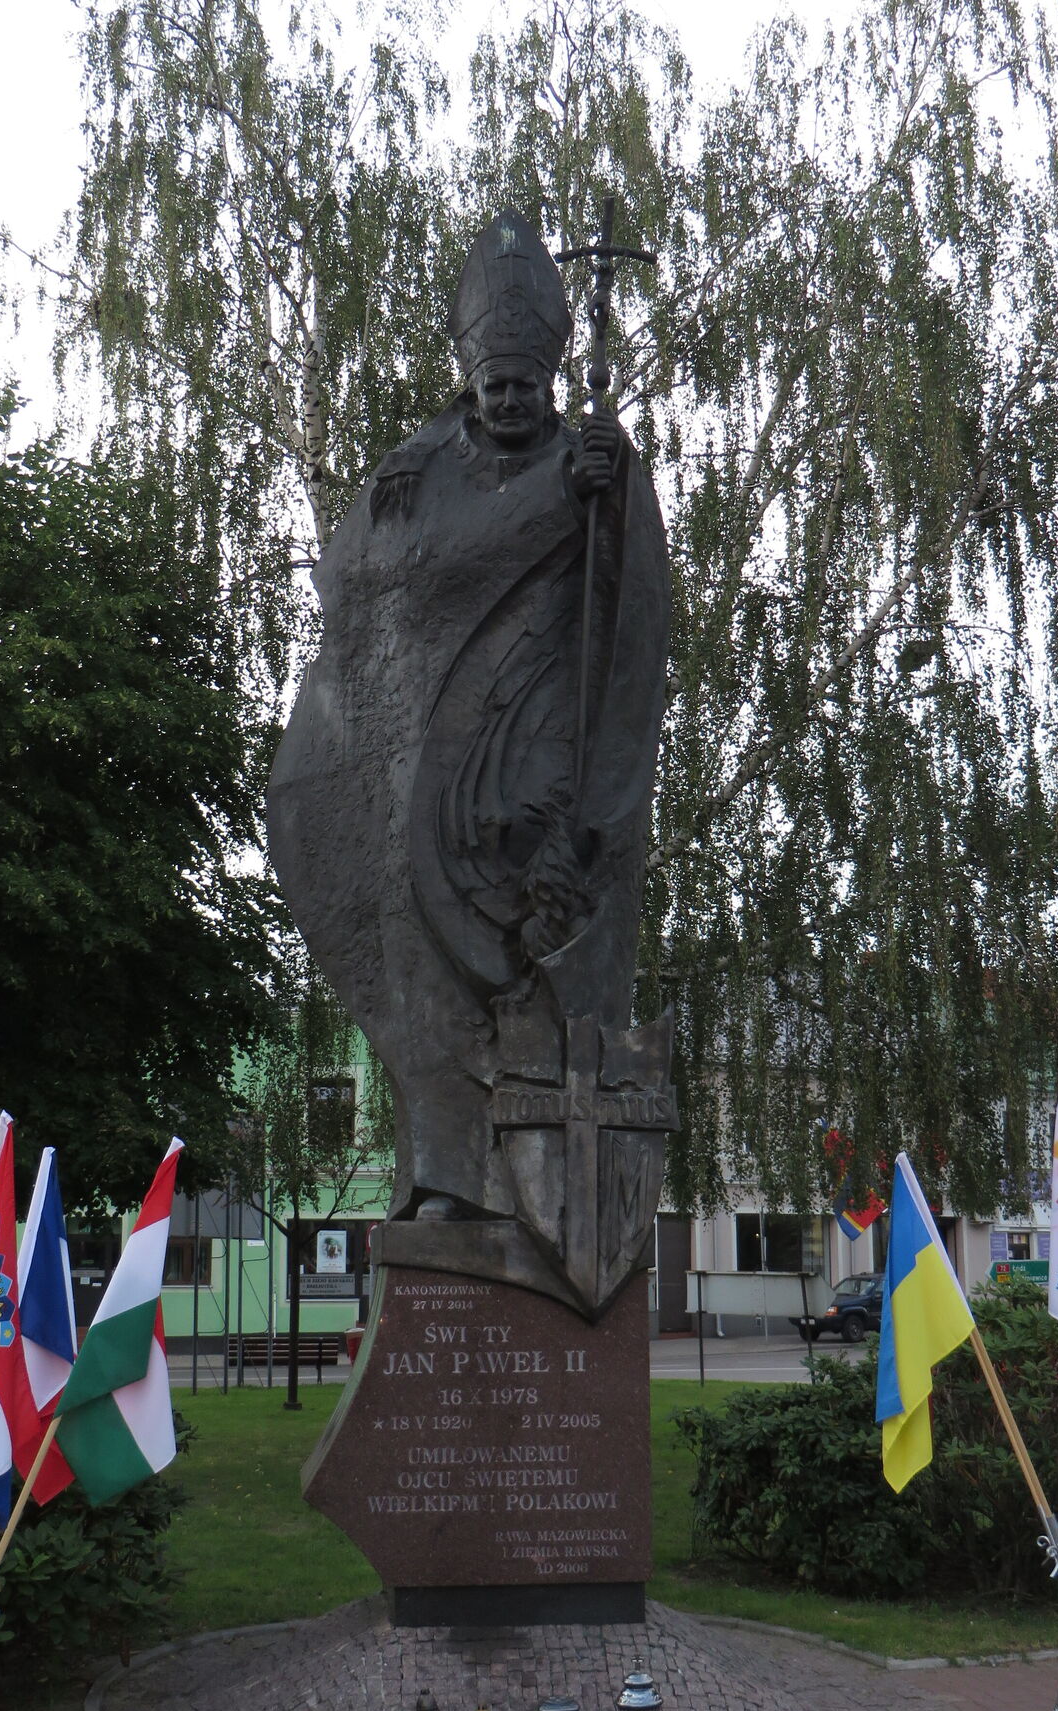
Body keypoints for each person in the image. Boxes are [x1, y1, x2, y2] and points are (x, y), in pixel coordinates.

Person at [269, 209, 669, 1231]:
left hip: (545, 763)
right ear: (468, 375)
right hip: (427, 781)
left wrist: (603, 503)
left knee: (542, 969)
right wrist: (547, 507)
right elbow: (367, 581)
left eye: (526, 386)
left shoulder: (599, 461)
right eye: (495, 386)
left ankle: (549, 1196)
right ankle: (449, 1182)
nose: (510, 401)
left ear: (551, 375)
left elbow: (633, 627)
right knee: (425, 981)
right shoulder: (418, 469)